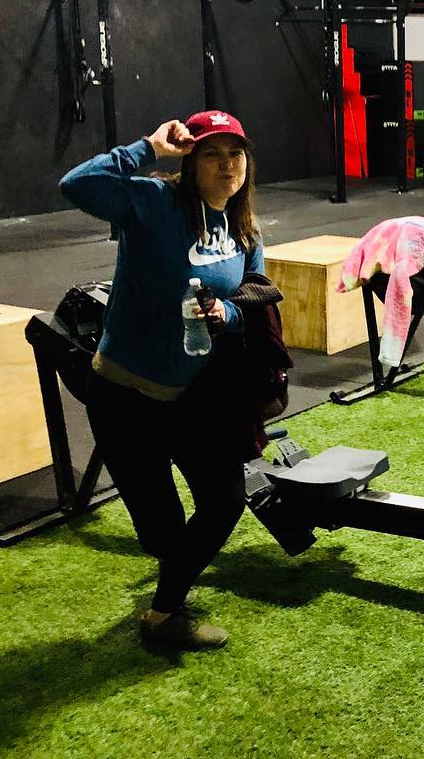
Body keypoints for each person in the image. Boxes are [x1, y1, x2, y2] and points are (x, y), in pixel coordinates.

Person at [59, 110, 265, 651]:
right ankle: (168, 602)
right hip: (123, 399)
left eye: (235, 154)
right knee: (164, 531)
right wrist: (148, 149)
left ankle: (162, 615)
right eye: (212, 154)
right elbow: (76, 185)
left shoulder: (244, 230)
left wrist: (228, 313)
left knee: (224, 500)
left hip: (192, 397)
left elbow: (255, 296)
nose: (226, 165)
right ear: (191, 161)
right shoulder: (153, 202)